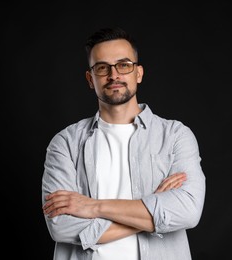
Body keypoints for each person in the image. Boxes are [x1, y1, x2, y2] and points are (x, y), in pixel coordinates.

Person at [41, 27, 206, 260]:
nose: (114, 75)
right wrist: (153, 213)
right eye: (102, 67)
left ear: (138, 73)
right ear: (90, 79)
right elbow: (61, 226)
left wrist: (93, 206)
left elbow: (188, 212)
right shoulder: (65, 143)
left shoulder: (175, 136)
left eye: (124, 65)